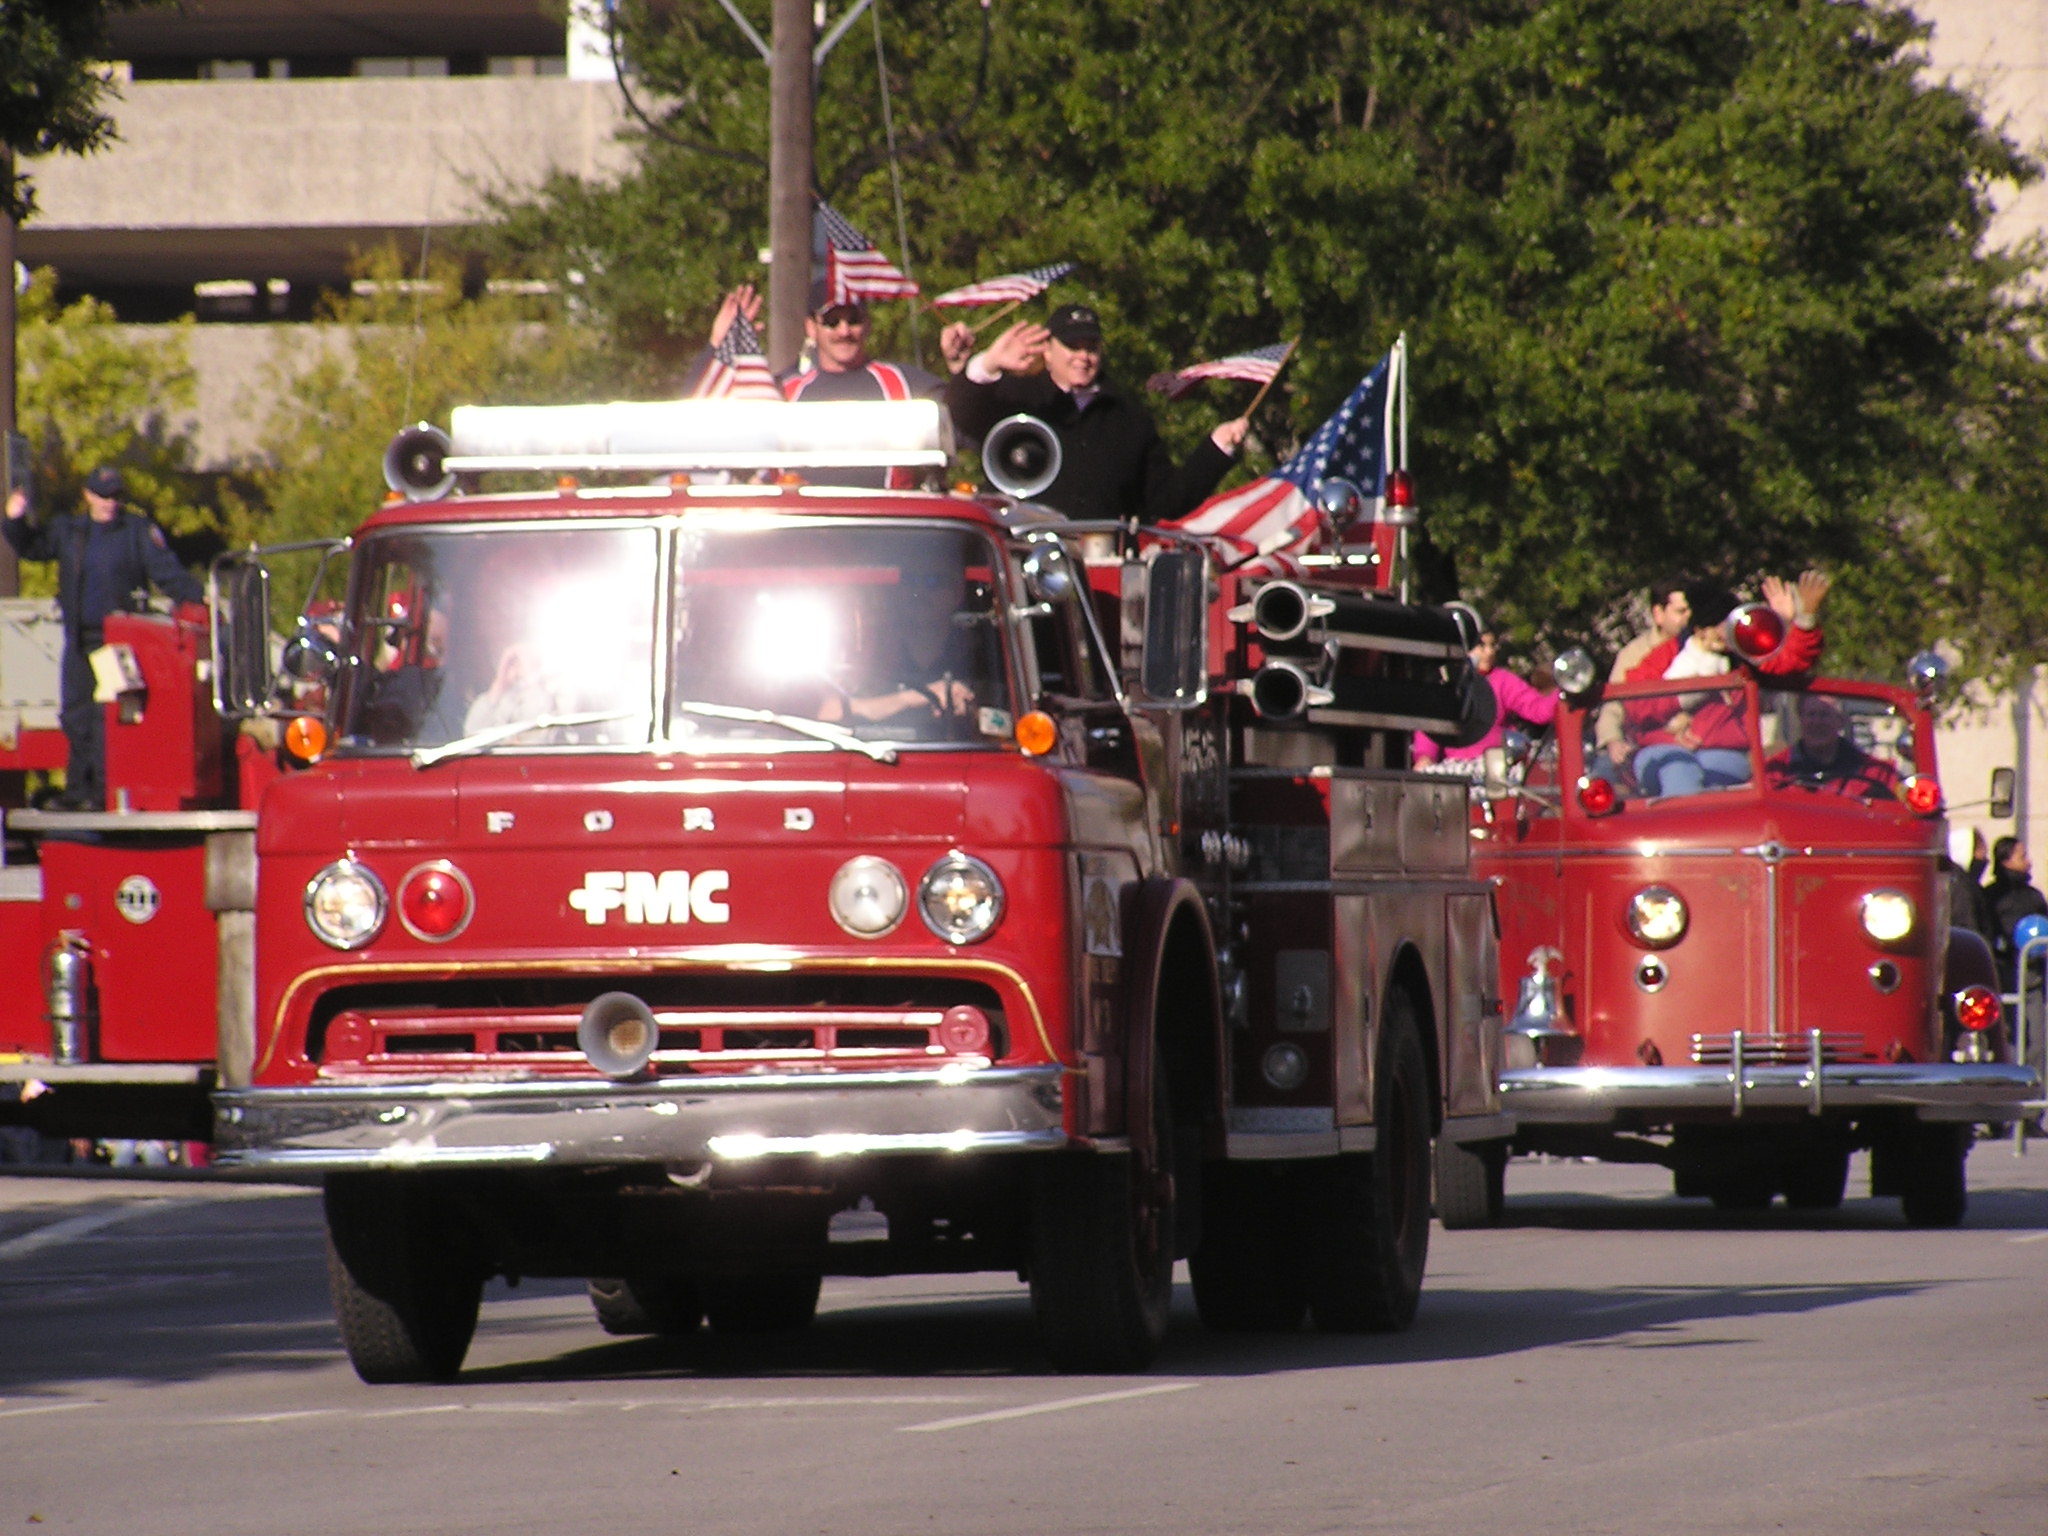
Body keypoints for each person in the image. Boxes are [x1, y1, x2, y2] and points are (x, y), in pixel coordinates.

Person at [3, 468, 203, 809]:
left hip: (118, 641)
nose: (110, 503)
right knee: (76, 714)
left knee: (106, 716)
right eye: (104, 495)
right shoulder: (71, 531)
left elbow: (167, 572)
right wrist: (15, 520)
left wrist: (196, 601)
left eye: (116, 496)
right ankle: (78, 791)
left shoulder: (136, 531)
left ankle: (102, 793)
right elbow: (33, 548)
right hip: (79, 637)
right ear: (88, 495)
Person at [941, 303, 1248, 523]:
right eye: (1072, 346)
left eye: (1091, 347)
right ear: (1047, 350)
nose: (1082, 357)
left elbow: (1166, 499)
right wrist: (988, 363)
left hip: (1098, 570)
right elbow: (961, 413)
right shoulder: (1017, 398)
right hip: (1022, 557)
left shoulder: (1128, 418)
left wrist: (1216, 450)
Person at [1621, 571, 1828, 797]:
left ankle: (1704, 825)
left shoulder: (1742, 660)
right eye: (1721, 625)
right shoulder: (1665, 657)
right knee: (1679, 769)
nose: (1728, 631)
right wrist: (1678, 718)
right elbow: (1637, 706)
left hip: (1723, 751)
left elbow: (1789, 667)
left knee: (1715, 779)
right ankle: (1685, 829)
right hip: (1661, 749)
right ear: (1700, 629)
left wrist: (1797, 620)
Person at [1412, 627, 1558, 767]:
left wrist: (1568, 688)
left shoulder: (1503, 680)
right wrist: (1425, 757)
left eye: (1492, 645)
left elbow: (1539, 710)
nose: (1489, 652)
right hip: (1457, 768)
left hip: (1498, 767)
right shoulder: (1446, 682)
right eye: (1481, 646)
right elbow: (1430, 728)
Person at [1592, 577, 1692, 776]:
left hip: (1695, 740)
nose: (1688, 617)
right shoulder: (1634, 655)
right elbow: (1613, 706)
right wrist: (1613, 742)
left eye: (1690, 610)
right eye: (1680, 611)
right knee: (1599, 779)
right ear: (1658, 614)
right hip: (1641, 744)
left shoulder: (1702, 648)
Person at [1763, 691, 1901, 802]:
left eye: (1825, 715)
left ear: (1840, 721)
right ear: (1801, 720)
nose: (1817, 723)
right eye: (1811, 715)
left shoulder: (1877, 774)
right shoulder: (1775, 774)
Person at [1985, 837, 2048, 990]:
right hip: (2003, 970)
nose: (2029, 862)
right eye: (2022, 856)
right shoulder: (1992, 895)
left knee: (2035, 1012)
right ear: (2006, 862)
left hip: (2034, 971)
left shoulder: (2034, 895)